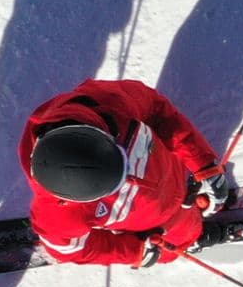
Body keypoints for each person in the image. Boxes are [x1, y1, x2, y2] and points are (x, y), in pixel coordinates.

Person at [20, 78, 231, 267]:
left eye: (121, 157)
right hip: (155, 223)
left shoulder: (109, 104)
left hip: (174, 174)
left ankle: (196, 204)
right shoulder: (58, 213)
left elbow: (157, 110)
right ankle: (192, 238)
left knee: (186, 205)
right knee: (181, 233)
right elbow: (69, 249)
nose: (129, 179)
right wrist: (135, 252)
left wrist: (203, 164)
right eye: (113, 188)